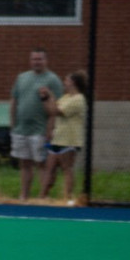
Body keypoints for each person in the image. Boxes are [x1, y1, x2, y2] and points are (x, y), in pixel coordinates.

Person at [11, 48, 65, 201]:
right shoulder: (21, 78)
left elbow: (56, 106)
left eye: (40, 59)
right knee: (25, 164)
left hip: (40, 130)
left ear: (45, 60)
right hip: (21, 129)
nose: (37, 62)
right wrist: (13, 124)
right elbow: (14, 100)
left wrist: (51, 128)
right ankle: (24, 196)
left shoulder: (52, 80)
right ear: (30, 60)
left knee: (42, 164)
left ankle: (43, 197)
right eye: (34, 59)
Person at [41, 70, 88, 204]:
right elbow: (51, 110)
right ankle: (42, 197)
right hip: (57, 138)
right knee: (49, 167)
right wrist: (45, 98)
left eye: (66, 80)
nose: (64, 83)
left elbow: (57, 111)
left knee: (66, 168)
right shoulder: (66, 97)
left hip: (69, 139)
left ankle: (67, 198)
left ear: (73, 82)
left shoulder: (78, 99)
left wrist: (50, 95)